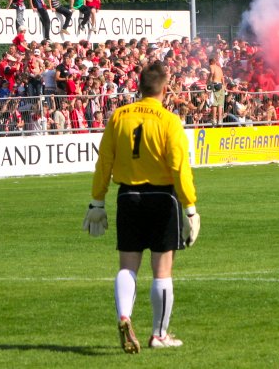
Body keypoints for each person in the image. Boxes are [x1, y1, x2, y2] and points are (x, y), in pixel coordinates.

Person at [83, 62, 201, 354]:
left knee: (128, 266)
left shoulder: (119, 116)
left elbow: (104, 162)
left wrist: (97, 201)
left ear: (139, 84)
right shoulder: (169, 120)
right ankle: (159, 335)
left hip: (128, 196)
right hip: (162, 197)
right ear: (165, 86)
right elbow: (179, 167)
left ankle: (125, 315)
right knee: (162, 270)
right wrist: (190, 208)